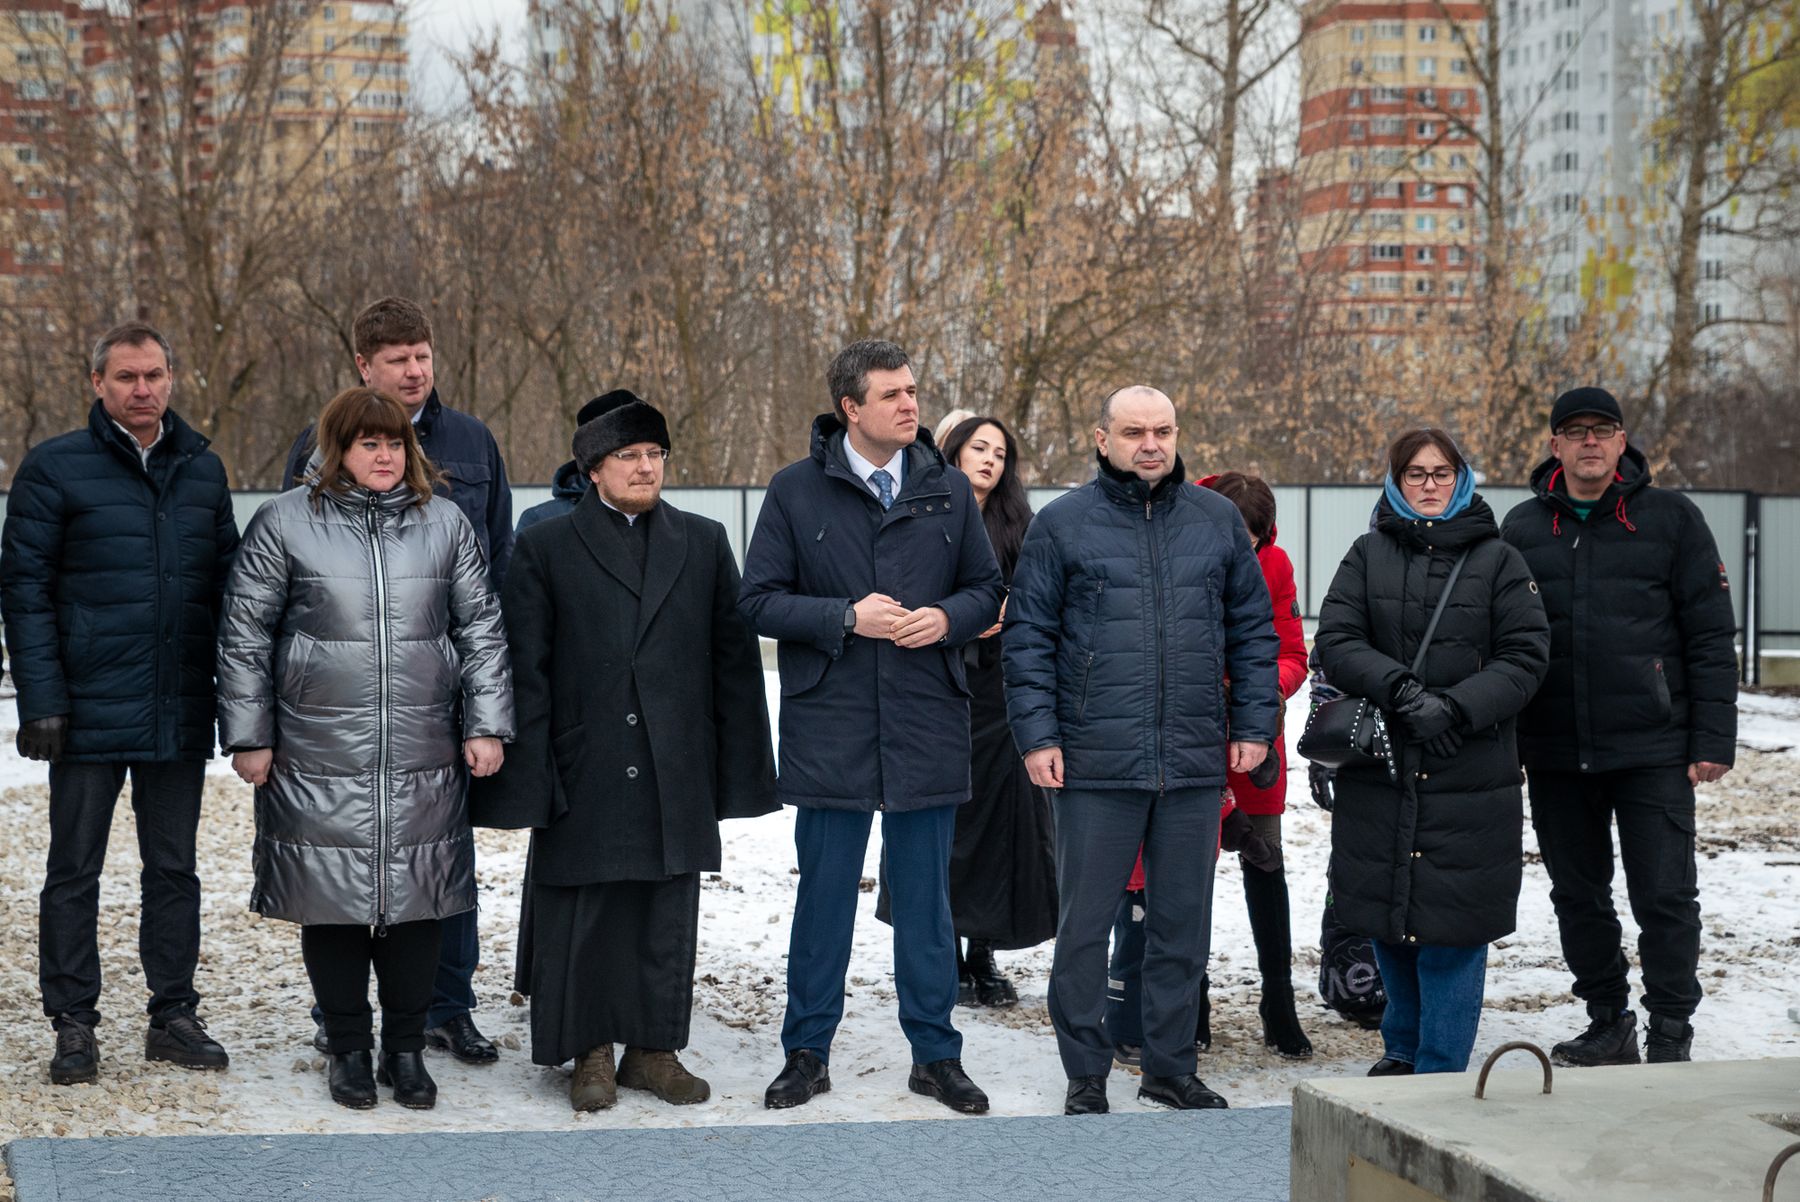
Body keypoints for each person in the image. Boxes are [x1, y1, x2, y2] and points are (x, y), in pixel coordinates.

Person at [472, 396, 778, 1112]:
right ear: (592, 470)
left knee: (664, 912)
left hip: (675, 764)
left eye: (654, 456)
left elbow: (731, 664)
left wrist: (736, 776)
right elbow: (527, 669)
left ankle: (654, 1051)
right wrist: (532, 777)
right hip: (587, 762)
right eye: (628, 457)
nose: (645, 468)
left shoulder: (702, 542)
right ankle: (592, 1055)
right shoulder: (547, 547)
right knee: (588, 915)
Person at [217, 386, 514, 1110]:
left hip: (422, 751)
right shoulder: (285, 522)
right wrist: (249, 734)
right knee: (336, 906)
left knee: (418, 905)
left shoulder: (442, 523)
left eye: (394, 443)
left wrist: (485, 723)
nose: (384, 456)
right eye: (366, 443)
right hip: (317, 752)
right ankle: (348, 1046)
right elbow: (245, 635)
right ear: (335, 450)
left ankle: (406, 1050)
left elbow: (480, 630)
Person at [740, 339, 1004, 1115]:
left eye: (913, 391)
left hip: (927, 716)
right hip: (833, 722)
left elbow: (987, 590)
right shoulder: (795, 491)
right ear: (850, 408)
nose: (909, 405)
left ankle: (935, 1055)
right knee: (824, 898)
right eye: (891, 395)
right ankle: (806, 1050)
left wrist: (946, 618)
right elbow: (757, 600)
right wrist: (844, 617)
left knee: (927, 904)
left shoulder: (948, 490)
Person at [1004, 385, 1280, 1115]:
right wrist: (1038, 736)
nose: (1150, 443)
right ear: (1103, 439)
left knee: (1181, 927)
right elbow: (1028, 638)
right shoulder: (1063, 524)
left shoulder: (1217, 521)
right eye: (1133, 431)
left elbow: (1255, 632)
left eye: (1162, 430)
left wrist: (1254, 725)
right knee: (1086, 927)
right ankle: (1086, 1073)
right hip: (1095, 761)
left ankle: (1169, 1065)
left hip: (1192, 759)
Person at [1, 321, 240, 1086]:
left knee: (174, 869)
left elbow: (231, 589)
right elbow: (24, 593)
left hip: (176, 707)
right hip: (84, 712)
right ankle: (73, 1022)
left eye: (155, 375)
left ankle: (173, 1014)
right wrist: (41, 699)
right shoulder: (54, 470)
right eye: (127, 377)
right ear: (97, 384)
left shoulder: (203, 471)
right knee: (74, 872)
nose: (143, 390)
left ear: (173, 379)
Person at [280, 296, 514, 1065]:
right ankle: (339, 1016)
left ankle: (449, 1005)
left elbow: (497, 569)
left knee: (443, 858)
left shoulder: (473, 442)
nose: (415, 371)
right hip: (345, 702)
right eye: (397, 360)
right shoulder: (316, 448)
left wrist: (489, 702)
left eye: (423, 355)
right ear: (363, 366)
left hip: (439, 696)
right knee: (341, 852)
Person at [1501, 387, 1737, 1066]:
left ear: (1623, 439)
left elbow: (1710, 635)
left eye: (1602, 430)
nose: (1590, 442)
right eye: (1575, 432)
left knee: (1663, 894)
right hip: (1553, 750)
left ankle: (1670, 1030)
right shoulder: (1522, 528)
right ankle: (1609, 1019)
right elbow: (1502, 642)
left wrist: (1712, 740)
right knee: (1578, 894)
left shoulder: (1672, 520)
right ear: (1555, 446)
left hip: (1653, 748)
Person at [1315, 428, 1548, 1076]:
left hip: (1468, 771)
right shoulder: (1367, 553)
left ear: (1461, 478)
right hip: (1384, 767)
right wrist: (1403, 690)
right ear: (1395, 481)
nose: (1428, 485)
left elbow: (1527, 657)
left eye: (1440, 473)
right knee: (1389, 918)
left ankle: (1440, 1065)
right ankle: (1400, 1047)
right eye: (1415, 473)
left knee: (1454, 931)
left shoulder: (1500, 561)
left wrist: (1455, 707)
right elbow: (1337, 637)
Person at [1104, 471, 1314, 1061]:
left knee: (1265, 863)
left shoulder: (1274, 566)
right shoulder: (1172, 555)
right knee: (1184, 875)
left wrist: (1259, 692)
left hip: (1252, 743)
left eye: (1252, 541)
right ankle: (1188, 1003)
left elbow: (1292, 651)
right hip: (1187, 738)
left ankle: (1279, 1000)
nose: (1240, 550)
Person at [877, 415, 1058, 1007]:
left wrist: (1009, 613)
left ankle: (983, 953)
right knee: (941, 825)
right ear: (952, 451)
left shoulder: (1021, 524)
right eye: (978, 448)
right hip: (938, 685)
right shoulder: (921, 510)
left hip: (1001, 693)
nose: (989, 461)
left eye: (1000, 453)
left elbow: (1041, 598)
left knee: (1000, 829)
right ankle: (943, 952)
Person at [514, 390, 643, 533]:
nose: (645, 466)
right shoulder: (539, 523)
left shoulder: (667, 524)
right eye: (628, 454)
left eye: (652, 453)